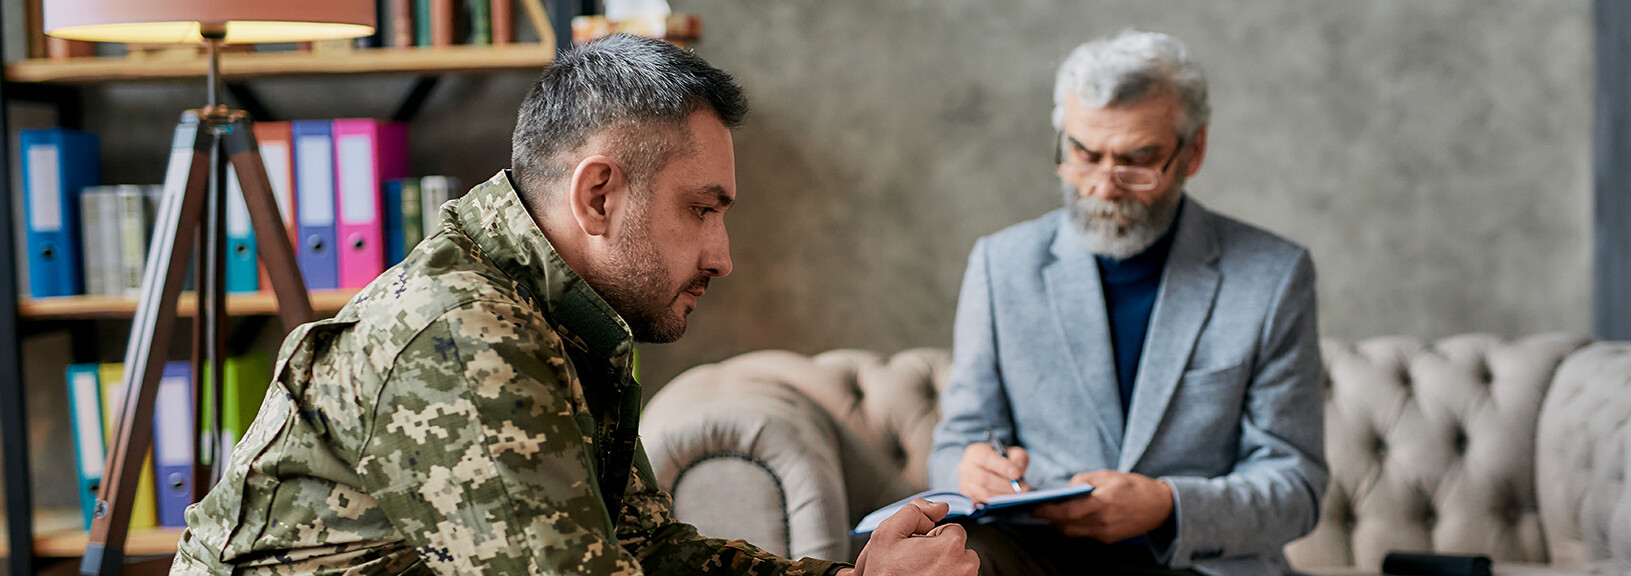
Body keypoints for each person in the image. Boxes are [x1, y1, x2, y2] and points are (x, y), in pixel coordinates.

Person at [171, 34, 978, 576]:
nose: (723, 255)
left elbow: (644, 549)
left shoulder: (557, 315)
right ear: (598, 194)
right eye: (702, 209)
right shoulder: (459, 337)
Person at [926, 30, 1327, 576]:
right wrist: (969, 470)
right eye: (1084, 156)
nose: (1103, 188)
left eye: (1137, 161)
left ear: (1194, 151)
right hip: (1036, 557)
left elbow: (1295, 486)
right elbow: (956, 444)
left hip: (1202, 564)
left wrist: (1166, 505)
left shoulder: (1273, 276)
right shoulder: (1002, 265)